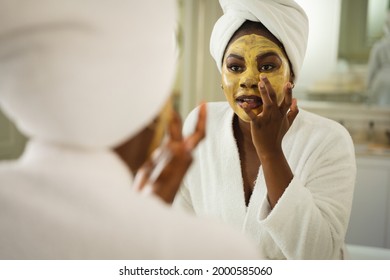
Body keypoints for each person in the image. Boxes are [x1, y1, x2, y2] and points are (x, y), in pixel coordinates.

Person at [0, 0, 260, 259]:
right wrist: (146, 220)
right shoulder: (218, 254)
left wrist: (144, 211)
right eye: (235, 67)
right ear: (151, 104)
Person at [174, 0, 356, 260]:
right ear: (221, 77)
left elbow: (319, 256)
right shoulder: (201, 124)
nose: (249, 80)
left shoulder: (328, 140)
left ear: (291, 76)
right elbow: (183, 233)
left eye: (268, 66)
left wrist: (271, 153)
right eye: (235, 67)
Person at [366, 11, 390, 106]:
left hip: (381, 83)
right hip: (382, 85)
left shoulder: (379, 47)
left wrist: (368, 87)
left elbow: (372, 70)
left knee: (378, 114)